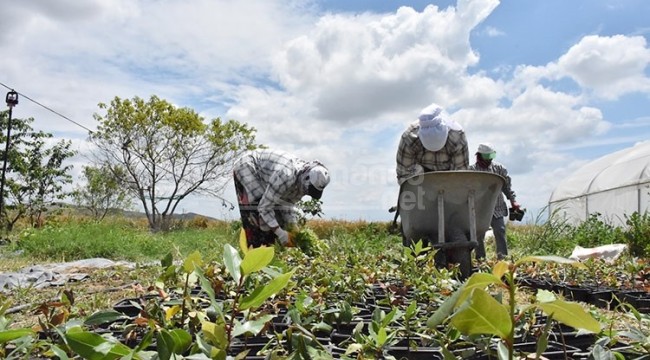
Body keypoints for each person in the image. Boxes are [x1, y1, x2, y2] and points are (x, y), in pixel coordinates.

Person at [233, 149, 330, 248]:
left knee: (275, 221)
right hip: (248, 166)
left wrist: (294, 229)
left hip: (266, 177)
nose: (307, 193)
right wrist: (280, 233)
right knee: (256, 216)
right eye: (309, 190)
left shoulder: (301, 183)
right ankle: (255, 253)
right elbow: (264, 207)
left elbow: (287, 206)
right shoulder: (286, 175)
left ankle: (270, 252)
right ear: (306, 178)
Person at [469, 143, 521, 260]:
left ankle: (503, 258)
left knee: (500, 231)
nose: (489, 159)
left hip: (496, 206)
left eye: (491, 156)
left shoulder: (499, 169)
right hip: (479, 208)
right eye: (487, 157)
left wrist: (513, 201)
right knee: (478, 235)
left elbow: (507, 187)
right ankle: (480, 258)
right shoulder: (472, 170)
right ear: (479, 156)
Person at [396, 103, 469, 185]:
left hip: (450, 177)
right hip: (420, 180)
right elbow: (404, 176)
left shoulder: (457, 137)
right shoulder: (409, 139)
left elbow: (461, 176)